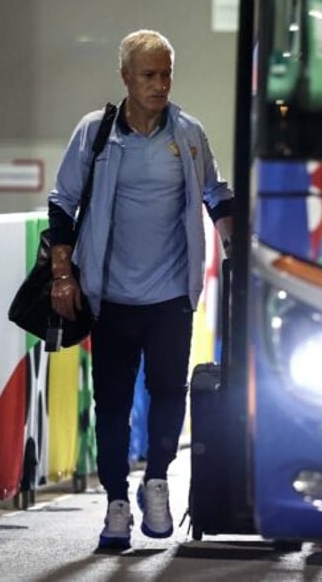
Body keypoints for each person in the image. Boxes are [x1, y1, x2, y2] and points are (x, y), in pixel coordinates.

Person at [47, 29, 234, 550]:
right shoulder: (96, 133)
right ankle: (114, 502)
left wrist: (232, 242)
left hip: (171, 292)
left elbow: (216, 193)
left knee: (170, 391)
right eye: (149, 75)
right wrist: (64, 275)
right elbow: (62, 204)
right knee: (111, 402)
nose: (160, 84)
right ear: (126, 77)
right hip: (109, 295)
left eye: (166, 74)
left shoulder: (189, 134)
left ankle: (156, 480)